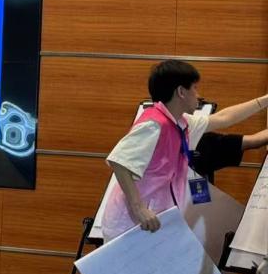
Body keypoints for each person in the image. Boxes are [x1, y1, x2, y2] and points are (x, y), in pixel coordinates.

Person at [103, 59, 268, 240]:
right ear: (181, 92)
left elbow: (225, 118)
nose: (198, 94)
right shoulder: (154, 124)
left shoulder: (182, 122)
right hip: (130, 226)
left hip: (155, 221)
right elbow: (119, 162)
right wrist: (139, 208)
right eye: (195, 88)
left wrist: (265, 100)